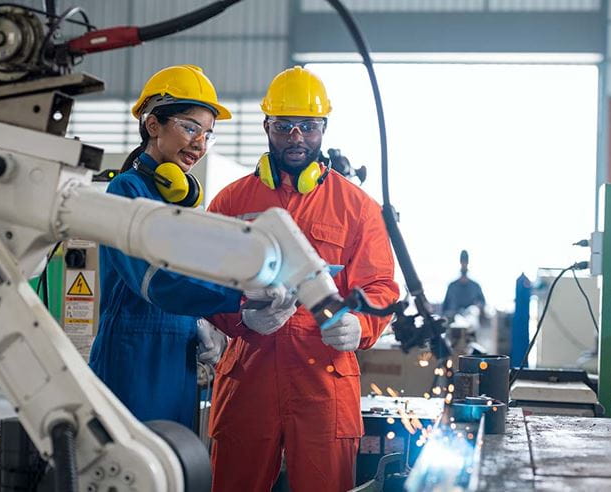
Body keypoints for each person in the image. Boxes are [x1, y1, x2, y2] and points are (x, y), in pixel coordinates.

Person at [206, 66, 399, 491]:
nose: (297, 137)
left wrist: (360, 324)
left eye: (308, 127)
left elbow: (381, 286)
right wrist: (240, 319)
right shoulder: (231, 201)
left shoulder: (357, 207)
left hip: (324, 377)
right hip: (249, 374)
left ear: (323, 128)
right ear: (267, 127)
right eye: (285, 126)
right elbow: (204, 284)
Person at [88, 65, 242, 428]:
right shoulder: (126, 190)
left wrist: (200, 321)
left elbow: (194, 273)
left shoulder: (181, 201)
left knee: (174, 463)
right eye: (190, 127)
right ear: (153, 125)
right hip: (132, 353)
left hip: (178, 352)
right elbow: (155, 280)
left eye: (208, 134)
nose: (199, 144)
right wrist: (240, 294)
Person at [441, 250, 486, 319]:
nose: (464, 263)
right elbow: (445, 309)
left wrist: (478, 307)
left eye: (465, 261)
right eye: (463, 261)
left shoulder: (475, 286)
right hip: (454, 321)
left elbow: (483, 304)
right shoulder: (452, 286)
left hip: (471, 322)